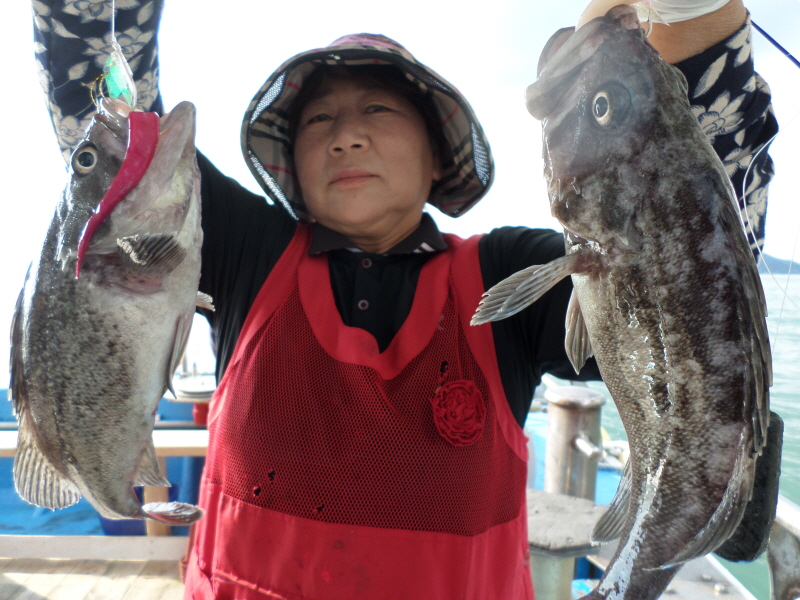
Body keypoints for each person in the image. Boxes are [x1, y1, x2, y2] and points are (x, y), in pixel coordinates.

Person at [32, 0, 779, 598]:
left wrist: (695, 26)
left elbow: (697, 256)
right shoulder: (243, 252)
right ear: (291, 165)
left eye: (379, 112)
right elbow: (106, 135)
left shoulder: (508, 272)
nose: (347, 135)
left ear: (435, 158)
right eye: (319, 120)